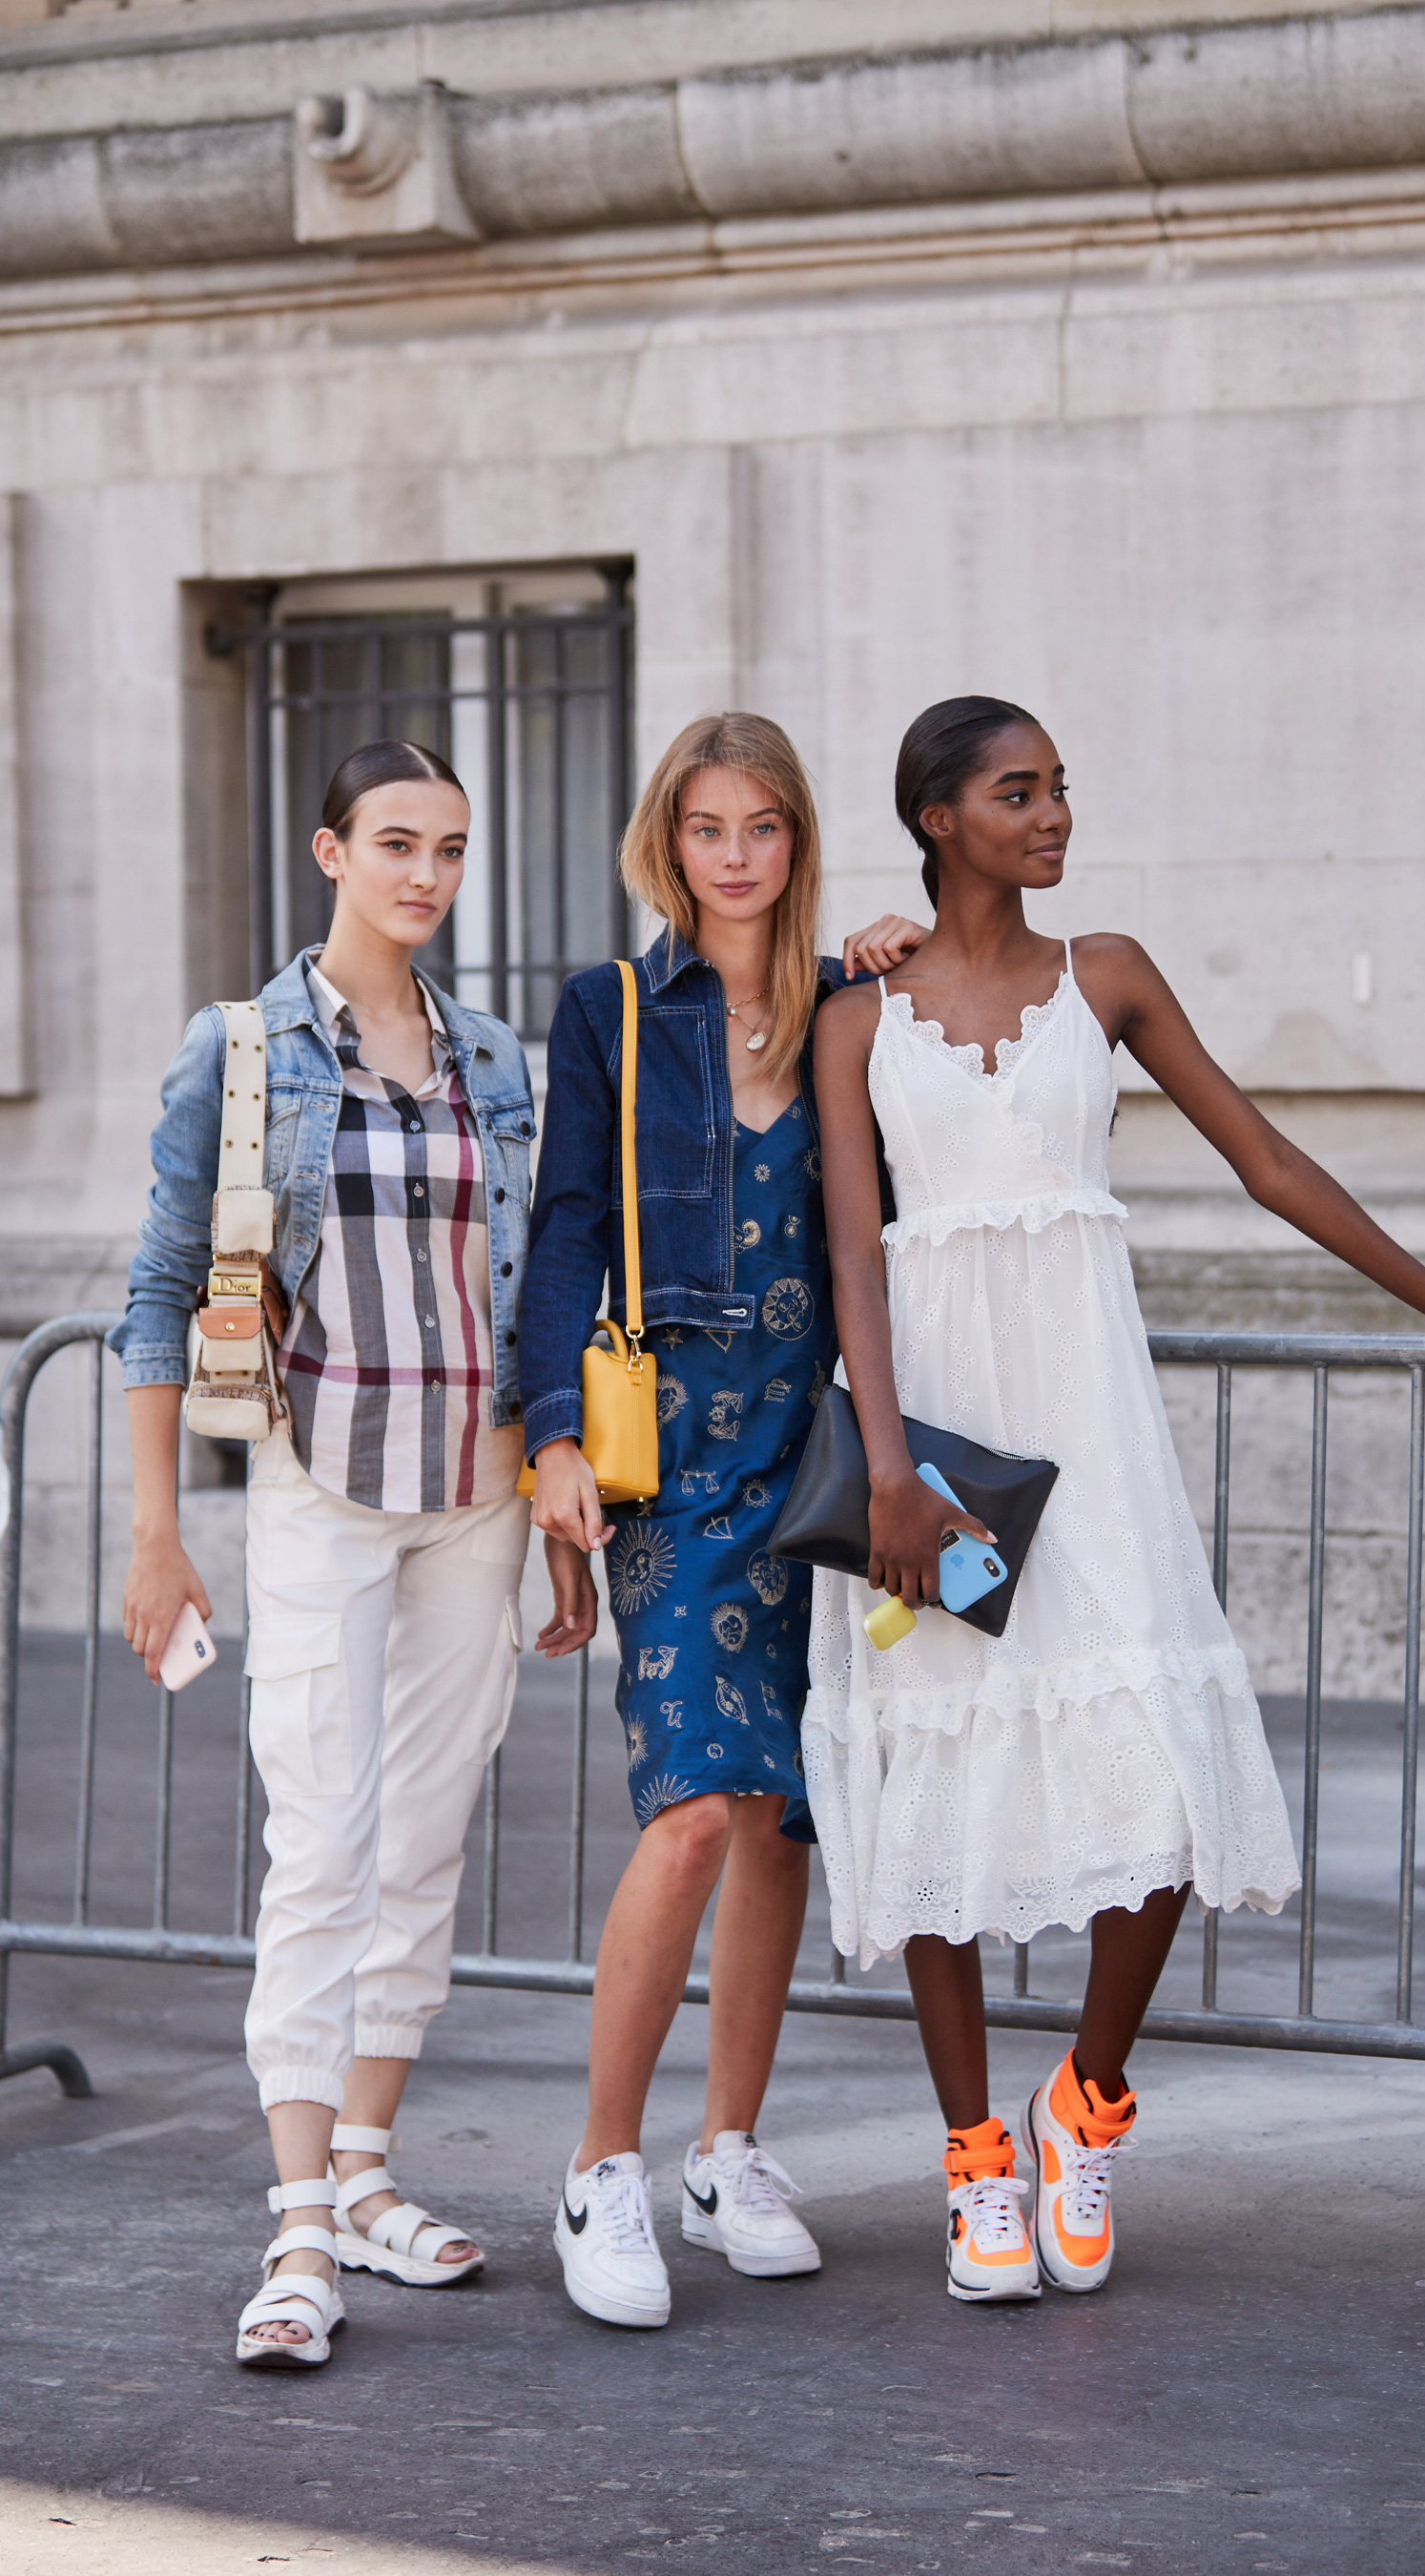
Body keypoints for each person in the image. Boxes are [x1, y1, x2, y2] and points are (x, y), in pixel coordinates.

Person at [806, 695, 1425, 2305]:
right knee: (937, 1768)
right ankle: (973, 2163)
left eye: (1061, 790)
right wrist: (885, 1466)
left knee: (1156, 1761)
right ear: (940, 817)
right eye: (1020, 793)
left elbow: (1269, 1164)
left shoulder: (1111, 975)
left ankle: (1084, 2103)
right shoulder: (859, 1017)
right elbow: (853, 1258)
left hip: (1094, 1436)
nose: (1056, 815)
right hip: (934, 1440)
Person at [115, 739, 599, 2369]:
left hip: (472, 1497)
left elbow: (529, 1287)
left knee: (428, 1839)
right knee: (320, 1836)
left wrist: (551, 1473)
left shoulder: (494, 1060)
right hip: (319, 1486)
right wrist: (155, 1527)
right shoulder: (246, 1051)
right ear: (330, 850)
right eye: (397, 844)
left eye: (452, 849)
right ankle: (299, 2223)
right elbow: (162, 1285)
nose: (428, 876)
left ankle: (372, 2169)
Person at [521, 711, 927, 2330]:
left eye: (764, 826)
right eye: (708, 828)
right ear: (666, 844)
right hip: (672, 1458)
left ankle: (726, 2151)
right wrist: (549, 1433)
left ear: (796, 840)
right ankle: (599, 2167)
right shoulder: (614, 1010)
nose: (737, 854)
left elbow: (890, 1228)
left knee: (777, 1812)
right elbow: (566, 1230)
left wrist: (905, 961)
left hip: (814, 1449)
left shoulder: (850, 1010)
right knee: (692, 1802)